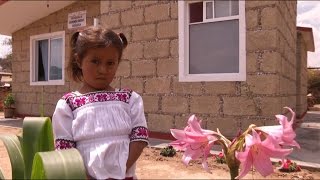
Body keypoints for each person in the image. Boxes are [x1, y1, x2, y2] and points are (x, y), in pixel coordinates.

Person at [52, 26, 149, 180]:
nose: (103, 69)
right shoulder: (68, 105)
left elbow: (139, 139)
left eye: (110, 63)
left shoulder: (130, 99)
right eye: (95, 61)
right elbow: (65, 150)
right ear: (79, 61)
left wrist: (120, 171)